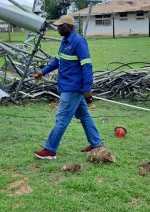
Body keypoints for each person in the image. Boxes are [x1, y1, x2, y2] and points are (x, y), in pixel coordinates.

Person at [34, 14, 103, 160]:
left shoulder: (79, 42)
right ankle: (97, 144)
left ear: (70, 26)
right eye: (58, 26)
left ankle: (50, 150)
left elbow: (87, 65)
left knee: (61, 118)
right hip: (66, 85)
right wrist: (42, 72)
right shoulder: (65, 41)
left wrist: (87, 88)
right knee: (84, 115)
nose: (58, 28)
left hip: (73, 88)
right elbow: (57, 61)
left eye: (61, 26)